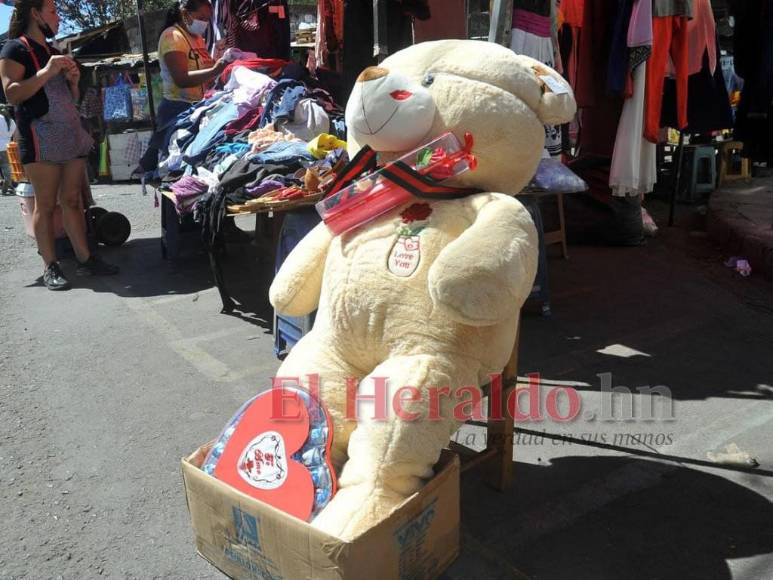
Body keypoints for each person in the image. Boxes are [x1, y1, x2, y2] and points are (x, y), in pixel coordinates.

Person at [0, 0, 118, 291]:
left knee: (73, 200)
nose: (59, 17)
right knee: (47, 204)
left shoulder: (54, 52)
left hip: (69, 135)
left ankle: (86, 258)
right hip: (40, 138)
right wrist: (47, 72)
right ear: (35, 14)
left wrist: (74, 83)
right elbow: (12, 93)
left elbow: (68, 102)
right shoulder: (14, 49)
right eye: (53, 11)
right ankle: (50, 265)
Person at [139, 0, 228, 173]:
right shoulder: (172, 37)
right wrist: (216, 69)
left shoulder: (197, 39)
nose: (204, 23)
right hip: (177, 109)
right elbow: (181, 79)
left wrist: (218, 57)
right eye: (201, 17)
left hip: (196, 108)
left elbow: (206, 73)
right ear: (185, 13)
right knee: (173, 168)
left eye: (207, 19)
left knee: (191, 166)